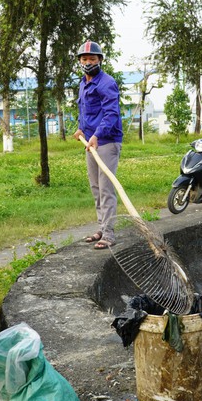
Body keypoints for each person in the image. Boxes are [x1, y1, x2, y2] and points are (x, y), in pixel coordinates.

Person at [73, 40, 123, 250]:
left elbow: (111, 113)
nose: (88, 62)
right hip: (90, 141)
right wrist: (80, 129)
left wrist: (97, 135)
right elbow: (85, 112)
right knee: (96, 188)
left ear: (100, 60)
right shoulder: (83, 83)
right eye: (84, 59)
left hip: (107, 141)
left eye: (92, 59)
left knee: (106, 188)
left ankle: (109, 234)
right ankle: (101, 228)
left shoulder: (107, 83)